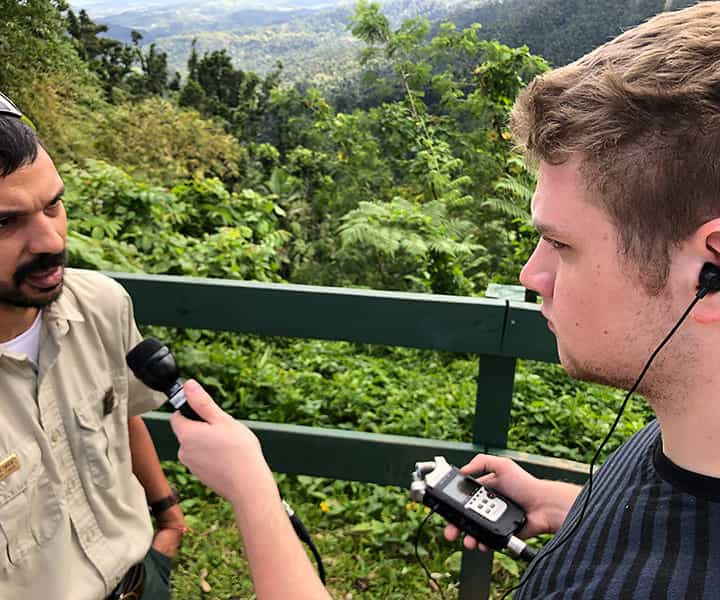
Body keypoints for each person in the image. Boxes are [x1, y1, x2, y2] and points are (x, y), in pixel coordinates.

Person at [171, 2, 720, 598]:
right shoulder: (686, 435)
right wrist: (572, 506)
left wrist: (252, 490)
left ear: (710, 269)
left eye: (561, 244)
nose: (532, 272)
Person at [0, 83, 185, 599]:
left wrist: (167, 516)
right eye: (3, 222)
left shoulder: (101, 305)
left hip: (142, 580)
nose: (51, 241)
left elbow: (122, 412)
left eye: (53, 205)